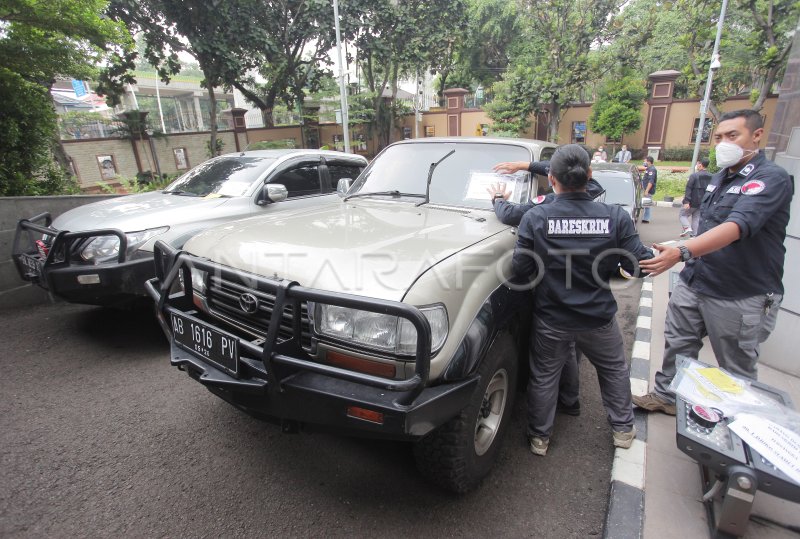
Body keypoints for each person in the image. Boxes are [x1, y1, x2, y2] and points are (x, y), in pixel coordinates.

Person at [633, 110, 793, 415]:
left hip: (739, 292)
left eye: (733, 136)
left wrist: (681, 252)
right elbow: (705, 228)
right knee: (678, 342)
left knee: (734, 363)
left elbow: (736, 227)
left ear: (756, 136)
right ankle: (667, 396)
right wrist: (685, 252)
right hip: (697, 281)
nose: (723, 143)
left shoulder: (770, 179)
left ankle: (736, 420)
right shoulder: (719, 178)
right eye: (718, 137)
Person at [508, 144, 654, 456]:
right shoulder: (615, 216)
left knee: (544, 377)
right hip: (598, 318)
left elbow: (519, 270)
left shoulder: (535, 217)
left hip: (552, 318)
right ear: (589, 175)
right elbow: (637, 265)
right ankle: (623, 431)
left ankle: (539, 438)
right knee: (614, 372)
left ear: (551, 178)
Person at [490, 156, 606, 417]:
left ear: (552, 179)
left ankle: (543, 426)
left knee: (548, 362)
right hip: (588, 294)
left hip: (554, 297)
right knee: (577, 352)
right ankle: (571, 400)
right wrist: (528, 166)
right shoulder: (594, 196)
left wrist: (498, 198)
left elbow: (509, 214)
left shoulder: (544, 207)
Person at [679, 158, 712, 237]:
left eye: (697, 164)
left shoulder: (694, 176)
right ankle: (694, 235)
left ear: (700, 165)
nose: (696, 166)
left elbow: (689, 188)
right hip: (703, 202)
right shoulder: (712, 176)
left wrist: (686, 201)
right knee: (696, 218)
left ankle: (687, 228)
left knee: (682, 215)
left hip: (692, 201)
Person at [641, 156, 657, 223]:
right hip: (645, 189)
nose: (644, 163)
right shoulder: (648, 168)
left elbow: (651, 181)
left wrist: (647, 190)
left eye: (645, 161)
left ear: (649, 162)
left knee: (647, 204)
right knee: (645, 203)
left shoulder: (652, 169)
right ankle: (645, 217)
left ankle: (646, 219)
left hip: (648, 190)